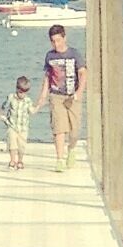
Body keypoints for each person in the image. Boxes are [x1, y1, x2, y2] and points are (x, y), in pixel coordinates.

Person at [40, 23, 83, 169]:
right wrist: (43, 95)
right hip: (56, 96)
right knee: (59, 129)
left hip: (72, 96)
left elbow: (83, 73)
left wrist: (79, 92)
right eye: (53, 41)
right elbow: (47, 76)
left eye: (58, 40)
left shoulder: (74, 54)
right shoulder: (50, 56)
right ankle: (59, 159)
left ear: (64, 38)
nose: (56, 44)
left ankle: (71, 149)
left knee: (74, 130)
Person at [1, 74, 35, 171]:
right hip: (12, 125)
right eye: (20, 92)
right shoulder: (11, 97)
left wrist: (38, 106)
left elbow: (32, 111)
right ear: (16, 89)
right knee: (12, 144)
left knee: (21, 146)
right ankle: (12, 161)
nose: (22, 94)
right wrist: (0, 114)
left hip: (23, 128)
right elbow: (4, 106)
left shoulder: (28, 101)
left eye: (24, 92)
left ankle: (20, 161)